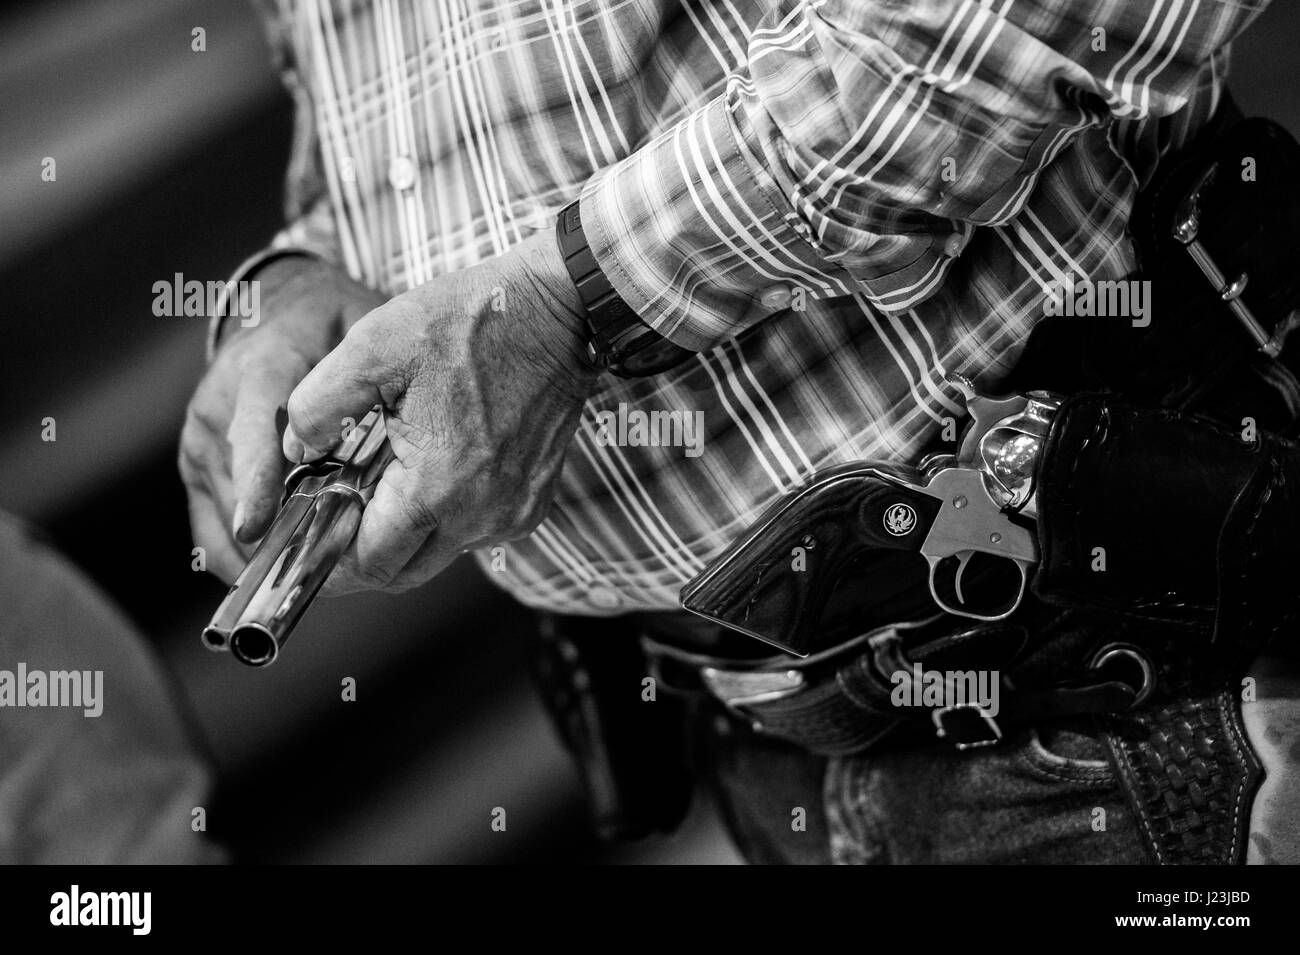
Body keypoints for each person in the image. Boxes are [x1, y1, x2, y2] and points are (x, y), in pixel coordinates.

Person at [181, 0, 1300, 863]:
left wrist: (577, 302)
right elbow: (398, 152)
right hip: (770, 749)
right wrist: (293, 287)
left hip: (1127, 677)